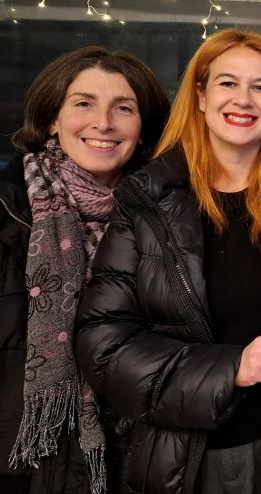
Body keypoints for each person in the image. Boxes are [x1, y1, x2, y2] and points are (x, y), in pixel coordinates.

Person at [74, 30, 261, 494]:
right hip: (169, 459)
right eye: (228, 83)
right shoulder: (146, 196)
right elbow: (102, 342)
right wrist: (232, 367)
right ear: (200, 95)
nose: (243, 99)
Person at [0, 47, 169, 494]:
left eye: (124, 108)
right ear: (52, 119)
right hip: (20, 462)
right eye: (83, 103)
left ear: (143, 128)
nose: (103, 123)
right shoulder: (7, 211)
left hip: (136, 460)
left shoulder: (172, 221)